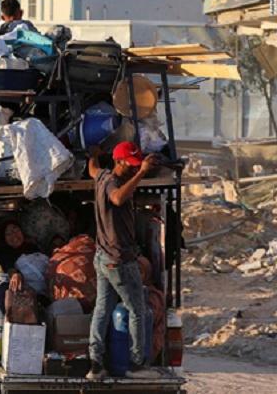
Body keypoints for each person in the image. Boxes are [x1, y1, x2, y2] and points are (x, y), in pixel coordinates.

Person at [86, 141, 161, 380]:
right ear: (119, 162)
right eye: (131, 165)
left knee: (102, 309)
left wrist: (93, 154)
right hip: (118, 260)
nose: (134, 168)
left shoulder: (101, 175)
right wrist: (142, 173)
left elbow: (92, 168)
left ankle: (96, 365)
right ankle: (137, 365)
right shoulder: (112, 183)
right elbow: (117, 199)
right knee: (137, 310)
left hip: (103, 257)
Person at [0, 219, 39, 292]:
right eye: (8, 233)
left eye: (16, 230)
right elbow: (8, 266)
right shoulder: (2, 253)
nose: (14, 235)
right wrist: (15, 274)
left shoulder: (33, 248)